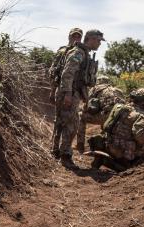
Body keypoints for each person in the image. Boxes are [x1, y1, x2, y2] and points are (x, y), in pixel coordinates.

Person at [53, 29, 104, 168]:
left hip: (72, 92)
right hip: (69, 93)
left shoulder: (83, 53)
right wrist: (68, 94)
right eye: (98, 40)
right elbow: (67, 74)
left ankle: (57, 152)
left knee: (65, 123)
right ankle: (66, 157)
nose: (99, 44)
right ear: (91, 39)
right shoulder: (78, 53)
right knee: (71, 125)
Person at [89, 88, 144, 171]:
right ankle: (135, 168)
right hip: (122, 152)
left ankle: (101, 159)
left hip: (107, 144)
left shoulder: (120, 107)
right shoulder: (140, 115)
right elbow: (141, 138)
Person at [49, 28, 83, 160]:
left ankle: (55, 148)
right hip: (67, 91)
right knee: (68, 122)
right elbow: (55, 72)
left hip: (61, 91)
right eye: (74, 36)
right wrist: (54, 91)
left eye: (78, 36)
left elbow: (53, 72)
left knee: (60, 120)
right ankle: (64, 151)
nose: (76, 38)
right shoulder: (72, 52)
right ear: (69, 37)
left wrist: (54, 91)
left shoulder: (62, 51)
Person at [76, 75, 125, 152]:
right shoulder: (118, 90)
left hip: (106, 117)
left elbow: (86, 107)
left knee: (80, 116)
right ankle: (106, 146)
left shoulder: (95, 89)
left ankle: (80, 145)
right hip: (121, 118)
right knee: (107, 115)